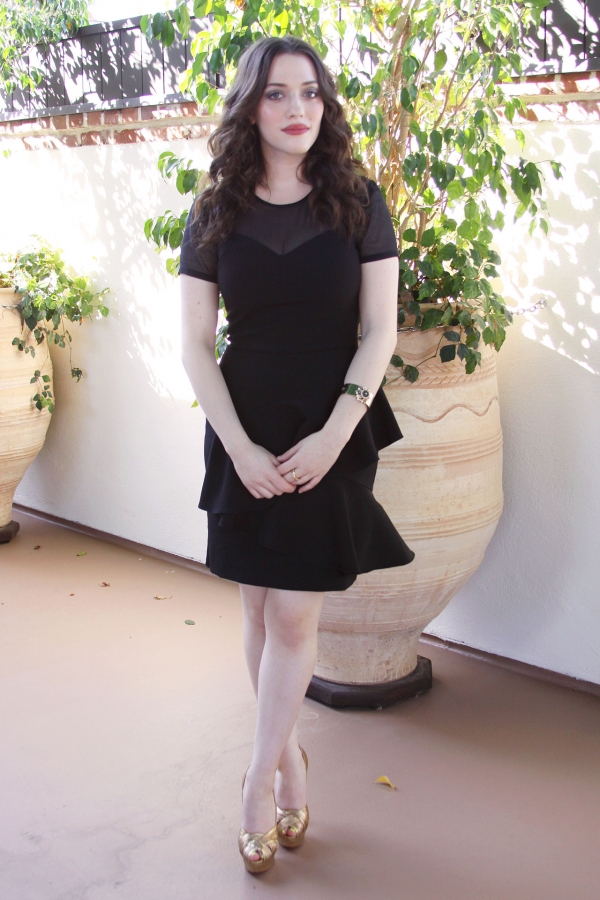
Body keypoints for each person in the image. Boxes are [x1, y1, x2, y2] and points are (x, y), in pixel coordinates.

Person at [179, 34, 415, 874]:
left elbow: (379, 332)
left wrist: (335, 433)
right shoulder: (213, 212)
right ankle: (288, 762)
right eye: (277, 94)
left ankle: (256, 783)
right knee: (255, 608)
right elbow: (196, 346)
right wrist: (239, 447)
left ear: (326, 104)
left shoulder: (358, 202)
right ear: (250, 107)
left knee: (290, 614)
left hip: (330, 426)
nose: (297, 109)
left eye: (310, 92)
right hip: (243, 425)